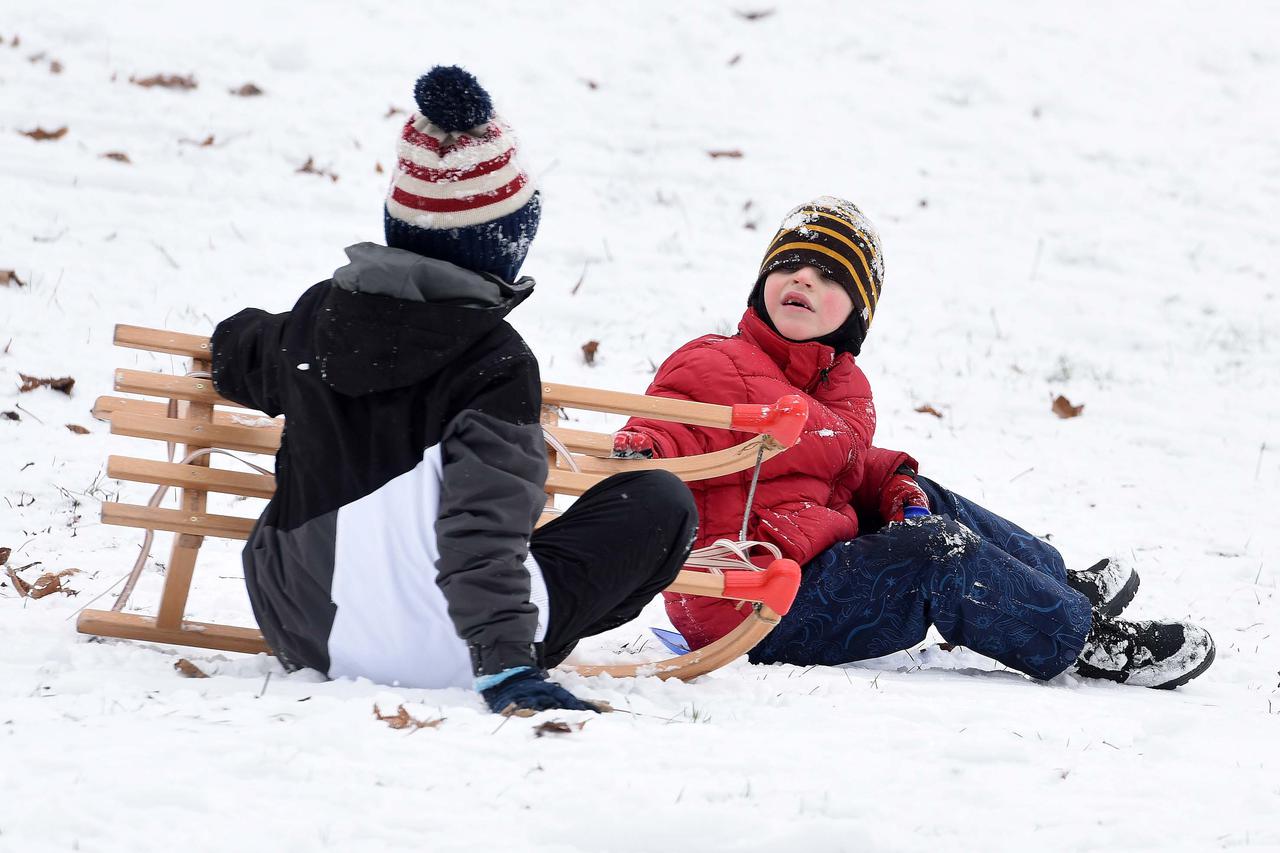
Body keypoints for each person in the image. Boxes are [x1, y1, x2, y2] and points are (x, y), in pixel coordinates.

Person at [211, 67, 696, 715]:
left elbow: (235, 351)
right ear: (503, 244)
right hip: (454, 653)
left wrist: (246, 336)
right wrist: (507, 669)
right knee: (659, 503)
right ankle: (506, 649)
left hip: (302, 629)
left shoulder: (316, 320)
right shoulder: (493, 363)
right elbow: (482, 532)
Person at [614, 197, 1214, 689]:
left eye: (829, 277)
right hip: (751, 603)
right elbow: (669, 422)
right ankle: (1085, 642)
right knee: (937, 552)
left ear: (854, 314)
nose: (803, 277)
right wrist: (641, 448)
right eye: (789, 265)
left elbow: (839, 469)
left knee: (919, 492)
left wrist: (890, 480)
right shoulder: (714, 364)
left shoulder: (842, 386)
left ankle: (1057, 584)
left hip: (807, 563)